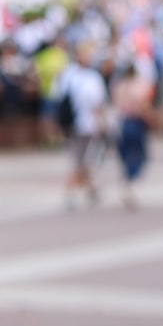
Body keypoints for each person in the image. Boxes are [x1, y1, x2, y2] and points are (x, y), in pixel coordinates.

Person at [56, 41, 109, 209]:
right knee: (80, 161)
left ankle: (91, 189)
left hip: (79, 124)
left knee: (83, 160)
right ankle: (71, 191)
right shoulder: (89, 78)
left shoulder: (70, 75)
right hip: (83, 124)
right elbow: (97, 104)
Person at [111, 64, 155, 209]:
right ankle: (131, 182)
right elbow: (143, 105)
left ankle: (127, 181)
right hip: (135, 123)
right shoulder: (138, 86)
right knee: (139, 155)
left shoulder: (119, 86)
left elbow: (115, 104)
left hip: (122, 123)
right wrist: (149, 119)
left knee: (126, 154)